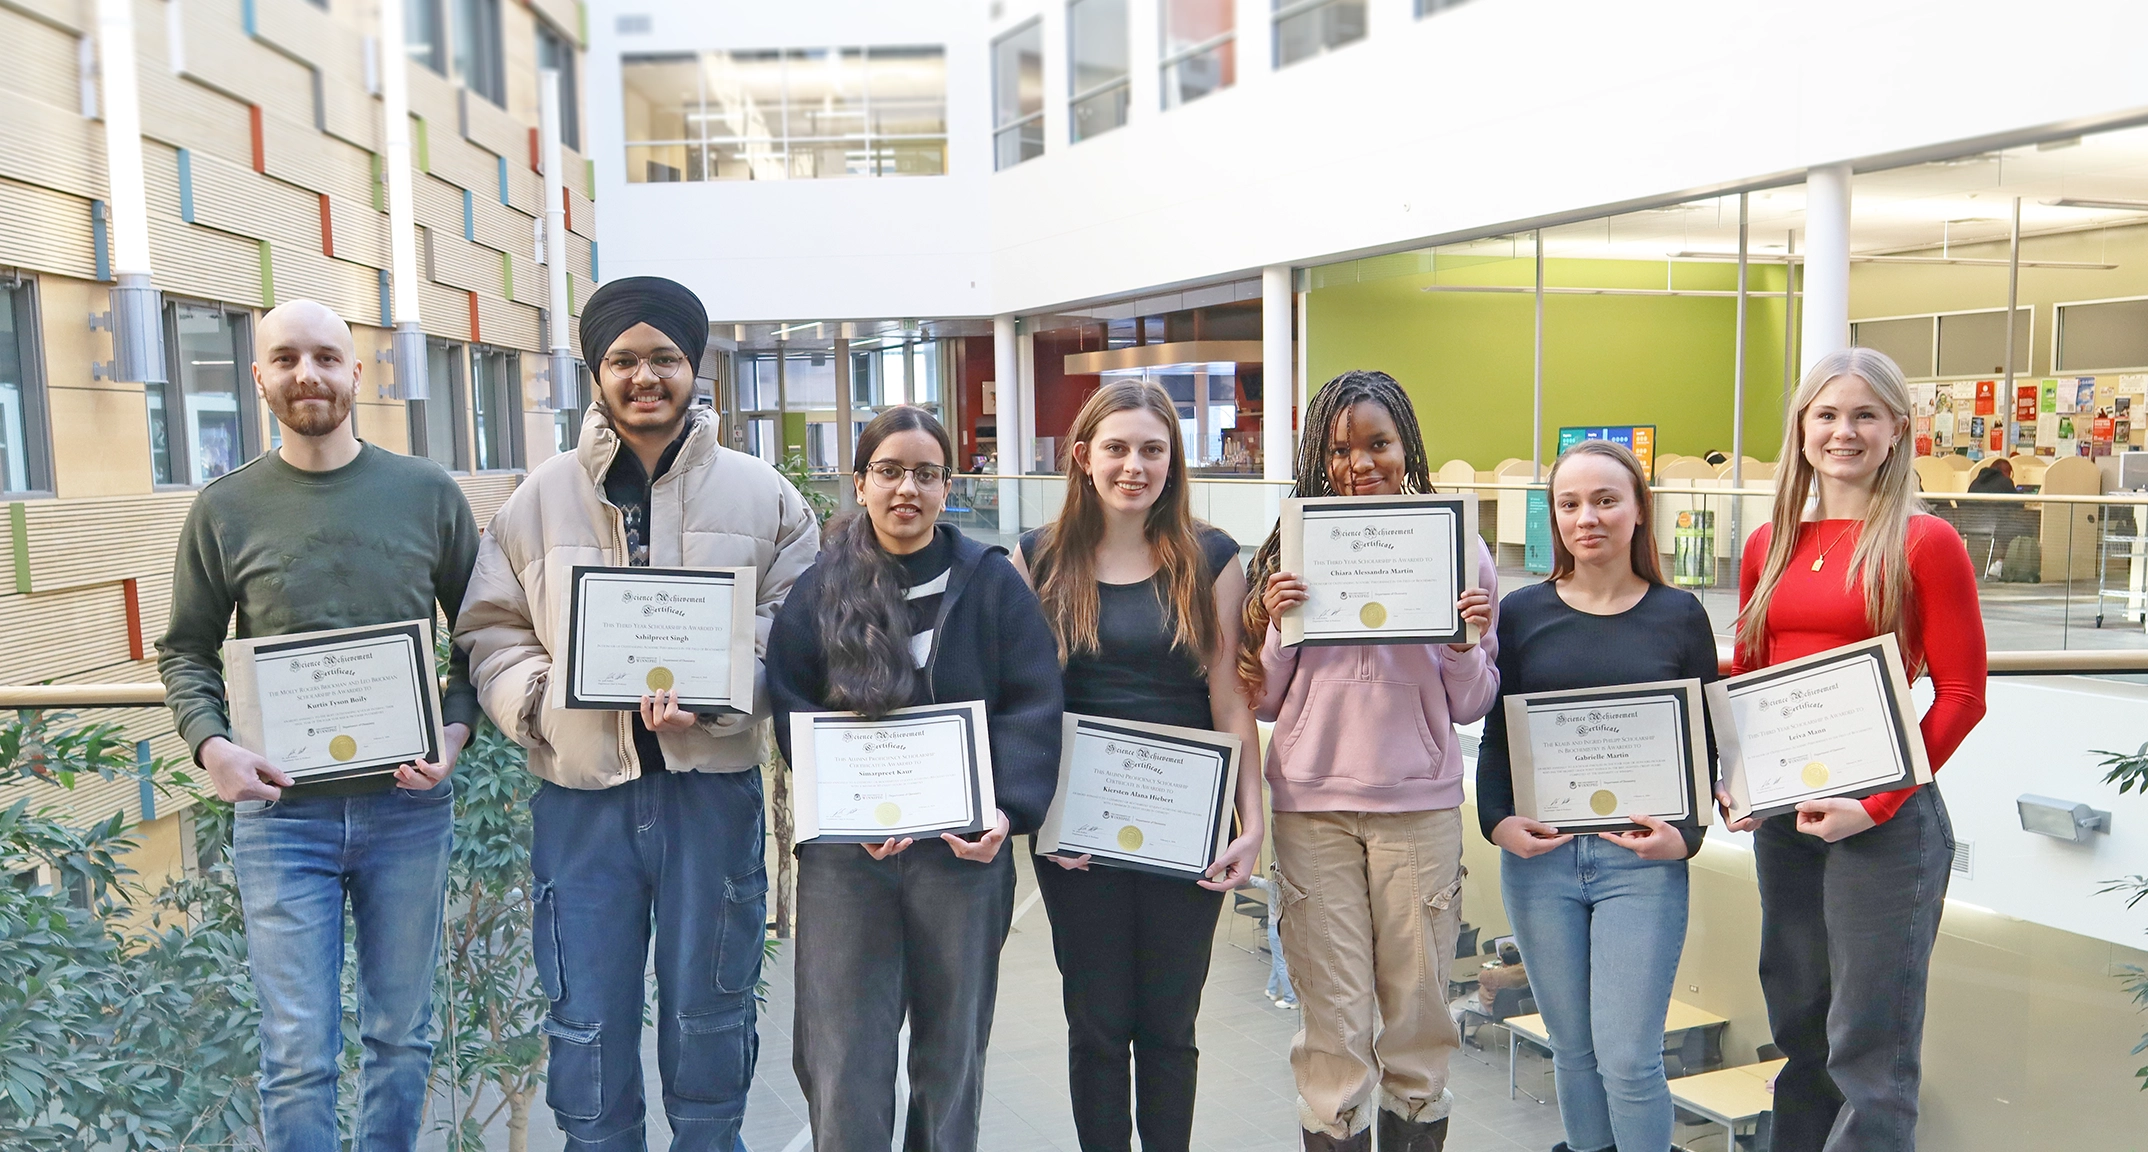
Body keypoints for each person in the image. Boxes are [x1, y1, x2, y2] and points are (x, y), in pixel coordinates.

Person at [456, 276, 821, 1151]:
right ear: (595, 372)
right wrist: (543, 703)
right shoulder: (535, 500)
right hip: (583, 800)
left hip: (711, 793)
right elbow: (491, 631)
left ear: (696, 368)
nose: (644, 376)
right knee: (585, 1014)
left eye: (665, 357)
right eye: (622, 359)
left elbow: (802, 630)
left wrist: (728, 697)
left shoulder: (766, 496)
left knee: (711, 1008)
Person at [156, 299, 478, 1152]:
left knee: (401, 1040)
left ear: (355, 374)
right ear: (258, 376)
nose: (309, 374)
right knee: (297, 1053)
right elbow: (186, 650)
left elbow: (481, 637)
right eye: (287, 358)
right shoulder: (224, 509)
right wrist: (211, 745)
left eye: (327, 358)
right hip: (280, 816)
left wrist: (455, 733)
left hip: (408, 810)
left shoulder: (426, 493)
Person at [766, 406, 1064, 1152]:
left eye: (925, 474)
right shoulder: (819, 591)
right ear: (861, 483)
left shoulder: (992, 585)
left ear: (948, 486)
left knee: (952, 1054)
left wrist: (1007, 810)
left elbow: (1034, 701)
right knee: (843, 1061)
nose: (908, 489)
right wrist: (847, 810)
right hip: (848, 863)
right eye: (891, 472)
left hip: (963, 858)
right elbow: (793, 705)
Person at [1719, 346, 1987, 1152]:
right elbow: (1755, 674)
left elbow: (1964, 696)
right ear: (1802, 428)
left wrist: (1872, 803)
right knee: (1799, 1029)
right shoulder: (1770, 542)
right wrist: (1740, 778)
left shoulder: (1925, 542)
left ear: (1898, 429)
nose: (1844, 432)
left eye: (1865, 414)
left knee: (1870, 1052)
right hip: (1788, 819)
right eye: (1827, 414)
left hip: (1886, 821)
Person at [1239, 369, 1498, 1152]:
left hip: (1417, 806)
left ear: (1406, 446)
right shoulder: (1291, 550)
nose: (1361, 464)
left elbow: (1473, 701)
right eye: (1341, 449)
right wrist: (1280, 624)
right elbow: (1262, 701)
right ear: (1320, 457)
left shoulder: (1460, 548)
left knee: (1419, 1010)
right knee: (1333, 1016)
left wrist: (1461, 645)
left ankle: (1416, 1125)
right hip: (1312, 807)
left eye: (1377, 444)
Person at [1010, 380, 1265, 1152]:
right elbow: (1024, 707)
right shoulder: (1036, 559)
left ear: (1173, 460)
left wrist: (1253, 825)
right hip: (1076, 831)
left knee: (1168, 1024)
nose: (1135, 465)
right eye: (1117, 448)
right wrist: (1048, 819)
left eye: (1153, 449)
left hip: (1186, 830)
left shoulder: (1212, 557)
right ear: (1083, 457)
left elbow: (1230, 702)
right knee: (1094, 1024)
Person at [1474, 439, 1720, 1152]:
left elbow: (1701, 743)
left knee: (1628, 1058)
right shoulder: (1520, 612)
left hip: (1640, 866)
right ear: (1554, 517)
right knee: (1574, 1054)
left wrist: (1689, 836)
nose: (1589, 517)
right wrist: (1496, 825)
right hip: (1541, 862)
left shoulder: (1679, 615)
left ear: (1639, 511)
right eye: (1570, 503)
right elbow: (1498, 735)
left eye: (1607, 500)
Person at [1446, 941, 1528, 1039]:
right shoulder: (1528, 970)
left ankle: (1444, 1032)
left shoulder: (1496, 975)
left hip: (1493, 1007)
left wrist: (1495, 969)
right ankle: (1470, 1030)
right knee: (1473, 1000)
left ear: (1501, 959)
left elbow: (1481, 977)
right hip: (1520, 1008)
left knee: (1458, 1005)